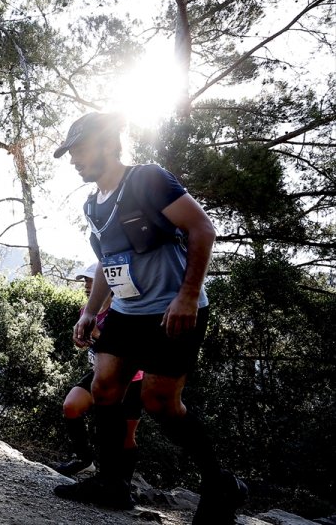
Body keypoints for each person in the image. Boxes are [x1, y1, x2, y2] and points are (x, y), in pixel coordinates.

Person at [51, 112, 247, 524]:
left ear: (107, 144)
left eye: (80, 150)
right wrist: (90, 312)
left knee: (161, 402)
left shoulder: (148, 179)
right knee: (104, 388)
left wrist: (188, 296)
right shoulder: (92, 204)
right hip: (125, 312)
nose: (74, 161)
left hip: (171, 311)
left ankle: (220, 484)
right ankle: (112, 483)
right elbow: (108, 262)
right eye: (71, 154)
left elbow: (203, 229)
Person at [54, 263, 143, 484]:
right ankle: (84, 460)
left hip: (131, 378)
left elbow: (125, 349)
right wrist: (82, 339)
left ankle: (123, 483)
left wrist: (97, 334)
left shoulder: (121, 310)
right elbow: (89, 342)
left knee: (126, 436)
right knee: (71, 406)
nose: (87, 285)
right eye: (85, 281)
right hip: (98, 372)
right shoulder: (86, 311)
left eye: (91, 280)